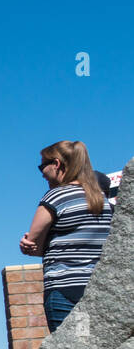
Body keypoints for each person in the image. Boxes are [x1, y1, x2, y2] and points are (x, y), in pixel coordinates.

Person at [19, 140, 115, 332]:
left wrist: (26, 246)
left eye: (42, 166)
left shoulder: (55, 197)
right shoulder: (102, 201)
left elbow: (33, 244)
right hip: (99, 290)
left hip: (65, 290)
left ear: (56, 164)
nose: (42, 173)